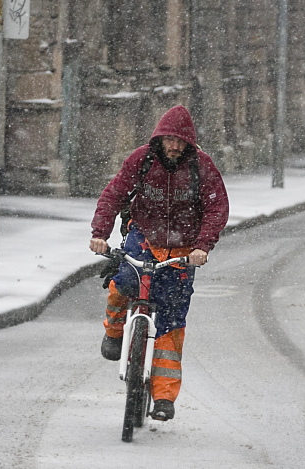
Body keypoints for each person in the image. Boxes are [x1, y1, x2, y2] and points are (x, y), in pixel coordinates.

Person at [89, 105, 229, 421]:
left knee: (171, 318)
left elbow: (216, 209)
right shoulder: (142, 159)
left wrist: (203, 247)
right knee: (125, 281)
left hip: (182, 248)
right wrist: (100, 233)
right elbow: (113, 194)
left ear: (189, 143)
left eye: (181, 142)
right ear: (160, 138)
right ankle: (114, 331)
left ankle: (164, 398)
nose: (175, 146)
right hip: (144, 235)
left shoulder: (201, 167)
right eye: (170, 140)